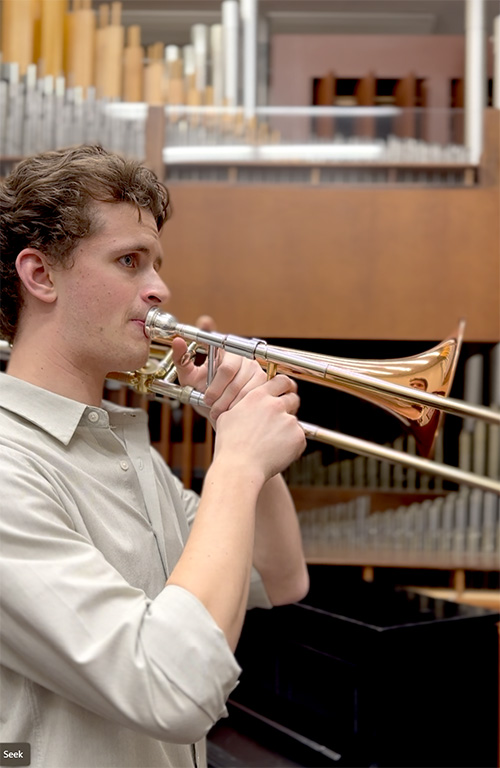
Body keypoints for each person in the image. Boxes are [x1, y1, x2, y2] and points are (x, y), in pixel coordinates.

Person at [0, 144, 309, 768]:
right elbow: (173, 689)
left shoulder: (117, 447)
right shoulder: (10, 466)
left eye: (157, 264)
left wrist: (237, 431)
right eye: (129, 261)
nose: (160, 289)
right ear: (41, 276)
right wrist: (238, 463)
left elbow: (280, 578)